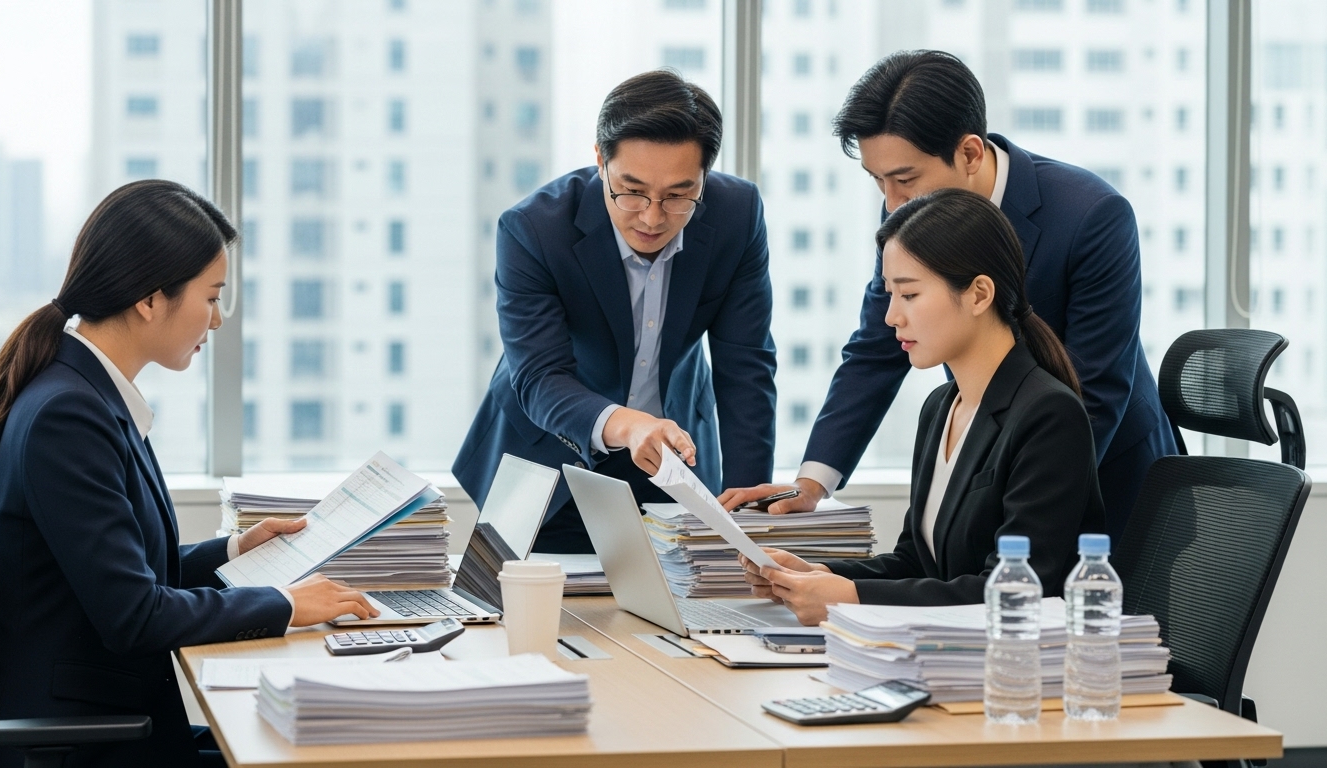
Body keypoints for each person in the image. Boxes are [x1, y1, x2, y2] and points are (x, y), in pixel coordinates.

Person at [0, 180, 377, 768]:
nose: (217, 320)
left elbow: (123, 574)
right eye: (211, 297)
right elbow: (136, 615)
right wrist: (286, 602)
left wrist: (233, 550)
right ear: (150, 300)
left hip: (105, 721)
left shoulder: (89, 393)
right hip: (76, 742)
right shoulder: (69, 414)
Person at [719, 51, 1175, 543]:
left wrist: (996, 500)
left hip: (1108, 482)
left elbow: (1096, 391)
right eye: (878, 181)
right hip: (992, 475)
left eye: (906, 179)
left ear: (971, 153)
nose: (892, 202)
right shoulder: (909, 216)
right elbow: (876, 348)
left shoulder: (1090, 215)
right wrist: (811, 485)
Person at [739, 188, 1106, 625]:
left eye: (909, 295)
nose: (891, 316)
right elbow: (916, 562)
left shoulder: (1048, 415)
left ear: (978, 294)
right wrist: (821, 576)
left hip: (1022, 669)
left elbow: (1016, 591)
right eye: (889, 294)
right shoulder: (940, 407)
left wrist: (849, 597)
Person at [454, 70, 777, 554]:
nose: (651, 216)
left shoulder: (738, 213)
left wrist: (749, 505)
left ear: (705, 177)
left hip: (674, 460)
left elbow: (745, 364)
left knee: (690, 615)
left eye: (677, 195)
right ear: (600, 160)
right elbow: (540, 375)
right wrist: (630, 425)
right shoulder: (533, 229)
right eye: (632, 190)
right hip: (547, 460)